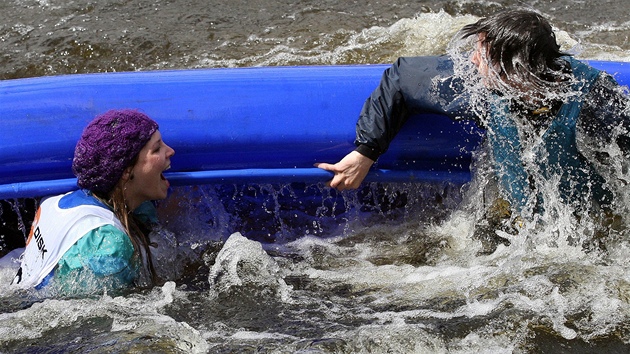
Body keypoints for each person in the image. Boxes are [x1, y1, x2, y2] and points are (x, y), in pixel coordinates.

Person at [316, 9, 630, 243]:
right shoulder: (478, 86)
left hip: (594, 225)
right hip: (518, 223)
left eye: (482, 52)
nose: (473, 59)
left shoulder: (595, 103)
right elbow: (402, 77)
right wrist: (366, 151)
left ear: (515, 70)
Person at [11, 109, 175, 296]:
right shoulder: (107, 247)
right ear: (126, 172)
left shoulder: (57, 202)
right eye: (157, 149)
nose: (171, 151)